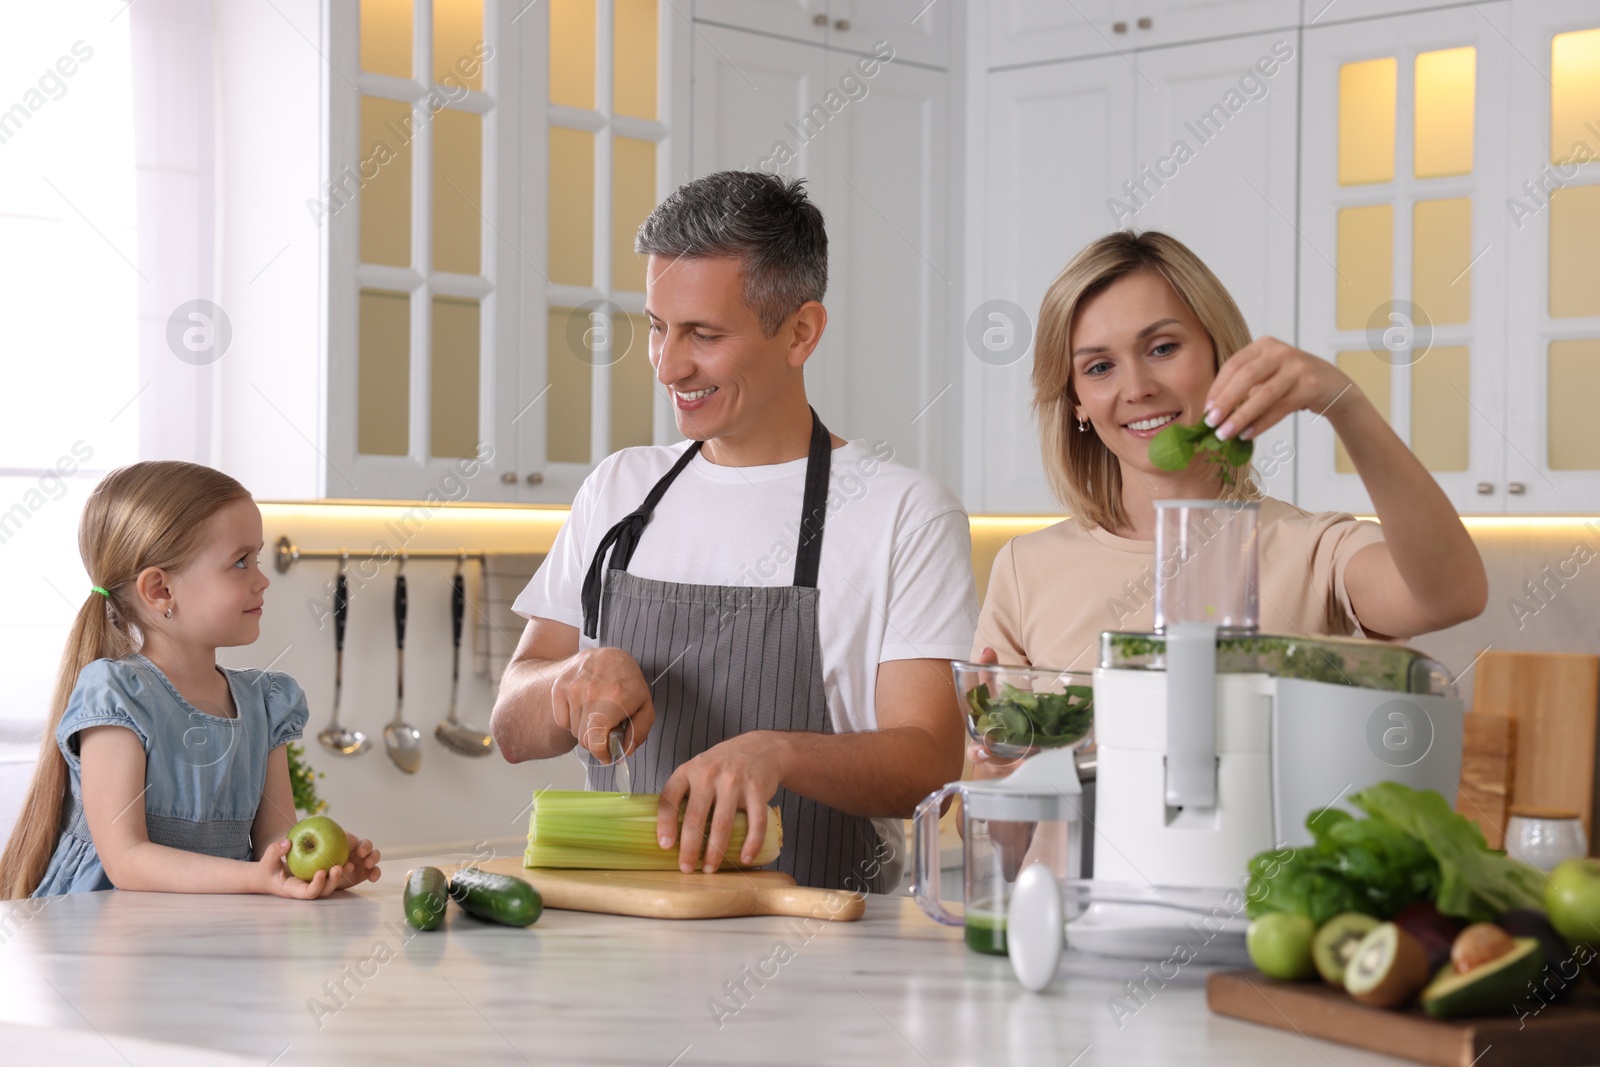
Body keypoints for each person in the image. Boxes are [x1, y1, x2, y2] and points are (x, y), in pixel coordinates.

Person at [491, 171, 977, 893]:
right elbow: (510, 726)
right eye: (657, 327)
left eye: (703, 334)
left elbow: (928, 764)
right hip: (626, 945)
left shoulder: (905, 512)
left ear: (801, 332)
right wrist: (568, 680)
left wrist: (778, 751)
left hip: (823, 953)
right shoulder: (619, 490)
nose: (668, 364)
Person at [971, 230, 1488, 771]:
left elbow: (1450, 595)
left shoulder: (1313, 549)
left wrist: (1346, 405)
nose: (1139, 386)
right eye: (1099, 367)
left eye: (1163, 348)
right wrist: (1003, 775)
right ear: (1076, 401)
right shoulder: (1024, 570)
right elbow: (1004, 825)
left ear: (1222, 353)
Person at [0, 461, 382, 898]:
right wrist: (255, 880)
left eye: (255, 558)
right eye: (240, 563)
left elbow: (277, 846)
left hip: (209, 933)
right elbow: (127, 860)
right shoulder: (118, 696)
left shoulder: (265, 703)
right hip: (101, 940)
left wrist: (317, 871)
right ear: (160, 591)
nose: (262, 580)